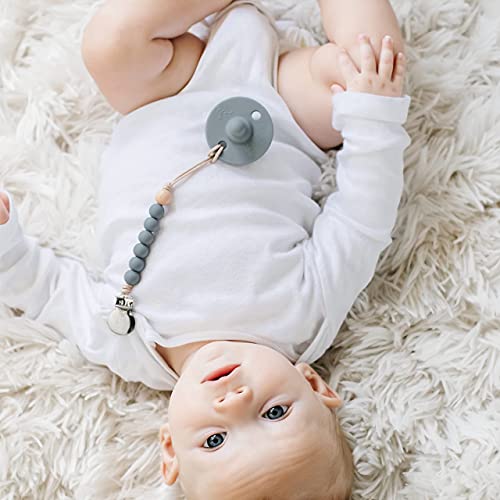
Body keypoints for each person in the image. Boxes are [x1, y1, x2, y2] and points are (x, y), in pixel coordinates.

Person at [0, 0, 412, 498]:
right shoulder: (306, 316)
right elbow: (362, 221)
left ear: (170, 448)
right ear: (313, 385)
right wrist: (373, 121)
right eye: (274, 412)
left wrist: (7, 247)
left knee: (109, 45)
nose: (234, 400)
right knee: (370, 67)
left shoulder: (130, 340)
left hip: (164, 91)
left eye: (215, 439)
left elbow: (47, 291)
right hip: (283, 110)